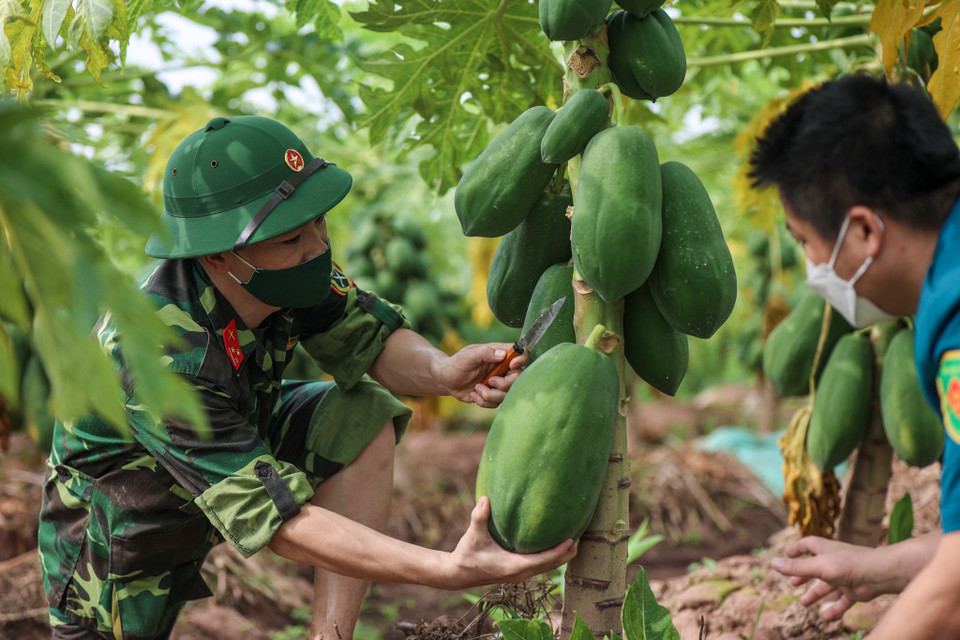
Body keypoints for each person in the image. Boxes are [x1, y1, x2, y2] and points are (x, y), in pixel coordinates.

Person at [37, 116, 577, 640]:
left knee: (358, 412)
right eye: (293, 237)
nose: (317, 245)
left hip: (230, 449)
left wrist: (443, 371)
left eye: (318, 222)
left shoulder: (289, 273)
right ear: (221, 254)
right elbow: (281, 522)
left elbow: (369, 337)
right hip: (122, 533)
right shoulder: (161, 353)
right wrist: (445, 569)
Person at [748, 73, 960, 637]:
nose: (813, 268)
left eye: (805, 242)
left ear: (865, 230)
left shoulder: (956, 322)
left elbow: (956, 592)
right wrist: (873, 571)